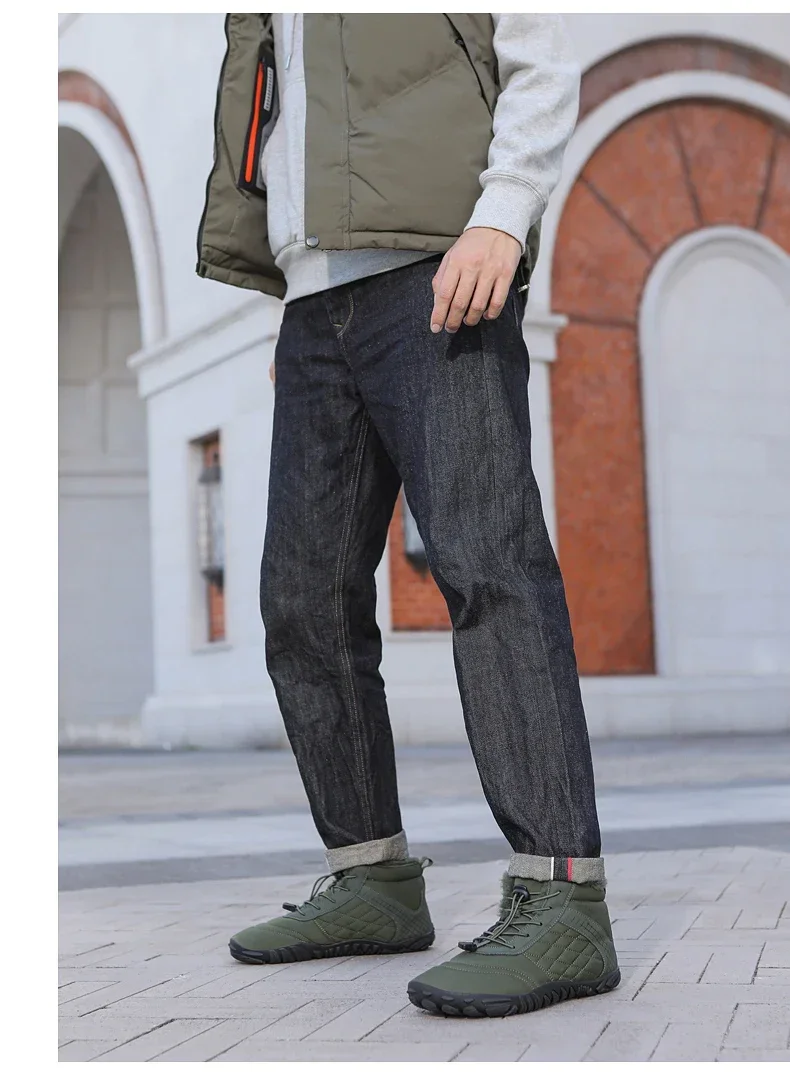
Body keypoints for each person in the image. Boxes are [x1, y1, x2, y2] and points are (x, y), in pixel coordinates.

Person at [197, 13, 619, 1018]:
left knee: (489, 571)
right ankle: (372, 876)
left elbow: (538, 50)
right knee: (302, 600)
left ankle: (563, 897)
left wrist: (502, 213)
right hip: (314, 299)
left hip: (438, 264)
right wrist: (294, 296)